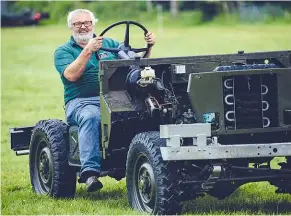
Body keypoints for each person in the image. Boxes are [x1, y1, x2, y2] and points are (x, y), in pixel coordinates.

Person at [54, 9, 156, 192]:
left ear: (93, 24)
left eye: (87, 23)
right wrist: (88, 50)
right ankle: (90, 172)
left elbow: (135, 67)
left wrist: (148, 47)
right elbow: (71, 75)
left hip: (117, 98)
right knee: (91, 116)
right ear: (71, 27)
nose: (83, 27)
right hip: (82, 101)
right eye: (78, 24)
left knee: (148, 112)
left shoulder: (110, 44)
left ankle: (147, 161)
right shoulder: (63, 51)